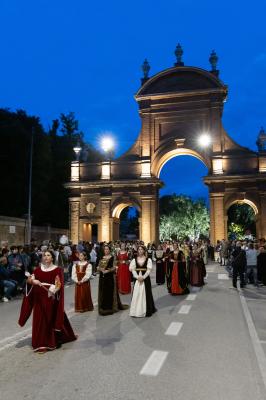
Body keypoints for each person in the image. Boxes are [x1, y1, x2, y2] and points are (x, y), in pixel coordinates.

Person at [18, 250, 77, 353]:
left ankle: (61, 337)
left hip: (50, 298)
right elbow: (28, 281)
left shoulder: (57, 270)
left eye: (48, 255)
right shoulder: (37, 270)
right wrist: (32, 281)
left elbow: (59, 284)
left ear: (52, 258)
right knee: (40, 320)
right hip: (39, 299)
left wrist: (53, 290)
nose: (45, 257)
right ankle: (41, 344)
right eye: (44, 255)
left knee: (55, 318)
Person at [97, 245, 128, 315]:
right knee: (103, 291)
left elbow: (114, 267)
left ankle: (110, 306)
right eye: (105, 249)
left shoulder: (113, 257)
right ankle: (103, 306)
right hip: (102, 277)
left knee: (109, 291)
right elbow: (98, 267)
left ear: (109, 250)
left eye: (107, 249)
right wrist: (100, 269)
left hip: (110, 277)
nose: (106, 251)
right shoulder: (101, 258)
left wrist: (108, 271)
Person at [129, 245, 157, 317]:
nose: (140, 251)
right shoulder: (134, 260)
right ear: (137, 251)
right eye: (139, 249)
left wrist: (143, 277)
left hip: (145, 279)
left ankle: (146, 310)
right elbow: (133, 270)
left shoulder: (148, 260)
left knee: (146, 293)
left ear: (144, 251)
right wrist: (137, 277)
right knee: (137, 294)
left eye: (141, 249)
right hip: (137, 279)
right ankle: (136, 311)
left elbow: (148, 270)